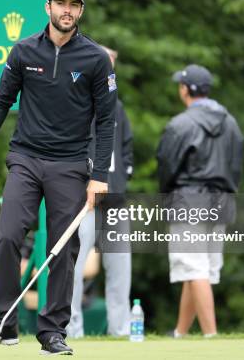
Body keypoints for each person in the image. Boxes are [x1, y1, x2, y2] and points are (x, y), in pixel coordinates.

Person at [0, 0, 117, 355]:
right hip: (26, 159)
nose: (67, 10)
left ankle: (53, 332)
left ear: (80, 12)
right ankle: (3, 323)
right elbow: (1, 101)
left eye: (74, 5)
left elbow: (106, 120)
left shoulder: (96, 58)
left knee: (63, 248)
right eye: (61, 3)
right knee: (7, 235)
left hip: (70, 165)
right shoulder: (23, 51)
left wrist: (100, 176)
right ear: (47, 7)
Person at [156, 64, 243, 337]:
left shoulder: (181, 124)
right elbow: (236, 164)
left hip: (189, 200)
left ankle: (211, 337)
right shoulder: (230, 122)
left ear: (185, 90)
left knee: (195, 270)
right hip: (221, 200)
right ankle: (180, 332)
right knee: (199, 270)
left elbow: (166, 166)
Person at [67, 46, 133, 338]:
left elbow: (126, 148)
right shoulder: (77, 99)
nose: (110, 69)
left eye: (113, 64)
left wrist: (120, 179)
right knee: (74, 266)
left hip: (115, 197)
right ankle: (71, 330)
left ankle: (121, 331)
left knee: (120, 269)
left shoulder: (117, 105)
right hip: (84, 197)